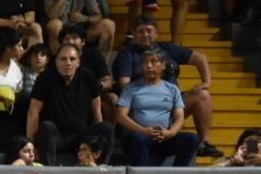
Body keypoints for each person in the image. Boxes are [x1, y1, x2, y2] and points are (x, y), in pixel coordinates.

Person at [112, 17, 222, 158]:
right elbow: (124, 85)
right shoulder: (127, 55)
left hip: (172, 102)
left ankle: (204, 143)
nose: (145, 34)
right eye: (141, 31)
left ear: (156, 32)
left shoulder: (167, 49)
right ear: (133, 33)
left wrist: (206, 82)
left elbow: (200, 58)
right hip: (142, 106)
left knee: (203, 95)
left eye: (149, 31)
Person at [29, 42, 115, 164]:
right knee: (47, 126)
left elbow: (96, 111)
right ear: (56, 62)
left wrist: (97, 141)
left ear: (78, 62)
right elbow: (33, 112)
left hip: (81, 138)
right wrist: (31, 144)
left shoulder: (88, 77)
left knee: (106, 127)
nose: (68, 63)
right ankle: (48, 172)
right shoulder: (45, 78)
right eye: (63, 59)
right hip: (55, 137)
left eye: (72, 59)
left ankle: (102, 169)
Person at [116, 50, 199, 165]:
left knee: (191, 139)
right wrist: (144, 131)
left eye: (153, 62)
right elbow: (120, 115)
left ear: (163, 65)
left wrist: (170, 133)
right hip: (140, 135)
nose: (149, 66)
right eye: (145, 63)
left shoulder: (172, 89)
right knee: (137, 139)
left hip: (164, 137)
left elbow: (180, 117)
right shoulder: (131, 88)